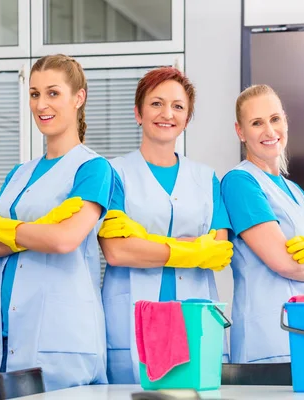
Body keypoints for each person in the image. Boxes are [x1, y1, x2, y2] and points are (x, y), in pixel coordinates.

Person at [0, 54, 114, 399]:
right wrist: (38, 231)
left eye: (52, 93)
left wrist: (2, 227)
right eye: (34, 94)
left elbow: (65, 239)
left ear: (79, 97)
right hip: (1, 334)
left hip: (58, 337)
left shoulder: (94, 169)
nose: (41, 105)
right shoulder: (18, 175)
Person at [97, 67, 233, 383]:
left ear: (187, 118)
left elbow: (219, 251)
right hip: (132, 318)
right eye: (156, 103)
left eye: (178, 106)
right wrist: (193, 248)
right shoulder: (113, 174)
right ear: (138, 113)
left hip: (194, 319)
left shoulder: (205, 178)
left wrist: (145, 242)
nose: (166, 113)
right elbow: (117, 251)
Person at [221, 84, 304, 364]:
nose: (269, 131)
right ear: (240, 132)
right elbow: (285, 263)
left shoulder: (295, 192)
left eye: (275, 119)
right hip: (268, 339)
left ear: (285, 122)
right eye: (257, 123)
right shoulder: (240, 183)